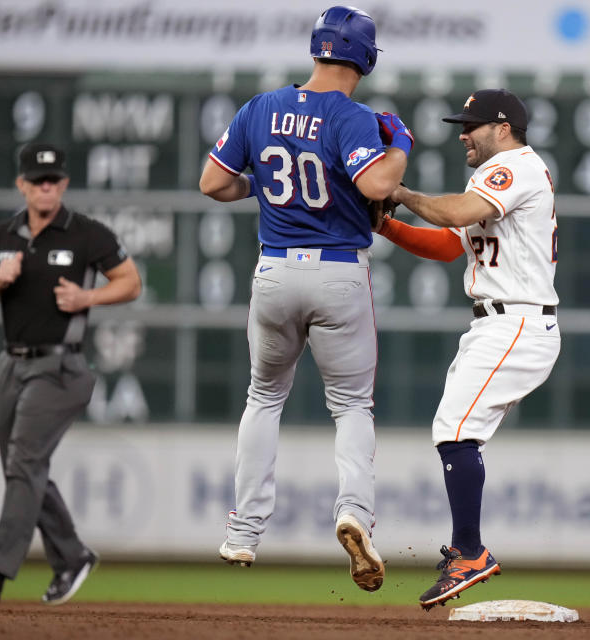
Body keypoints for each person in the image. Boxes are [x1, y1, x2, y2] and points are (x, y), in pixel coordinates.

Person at [199, 6, 410, 592]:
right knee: (350, 407)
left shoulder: (260, 108)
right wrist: (401, 147)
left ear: (317, 49)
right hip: (339, 271)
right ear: (364, 58)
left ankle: (243, 533)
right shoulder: (354, 115)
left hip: (273, 271)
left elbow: (213, 183)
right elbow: (376, 185)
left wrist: (259, 185)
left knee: (264, 397)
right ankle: (353, 513)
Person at [377, 88, 560, 609]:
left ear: (503, 128)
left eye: (472, 125)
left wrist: (400, 193)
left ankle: (470, 553)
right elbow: (446, 242)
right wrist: (388, 225)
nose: (462, 133)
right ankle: (467, 549)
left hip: (518, 321)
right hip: (496, 323)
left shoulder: (516, 167)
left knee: (456, 429)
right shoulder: (495, 177)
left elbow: (453, 211)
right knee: (456, 431)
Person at [0, 142, 142, 605]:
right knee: (24, 468)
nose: (46, 187)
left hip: (61, 365)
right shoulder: (3, 236)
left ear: (64, 185)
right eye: (37, 180)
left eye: (53, 179)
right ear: (21, 185)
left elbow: (130, 282)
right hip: (10, 363)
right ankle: (71, 556)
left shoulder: (85, 233)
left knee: (24, 463)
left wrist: (87, 298)